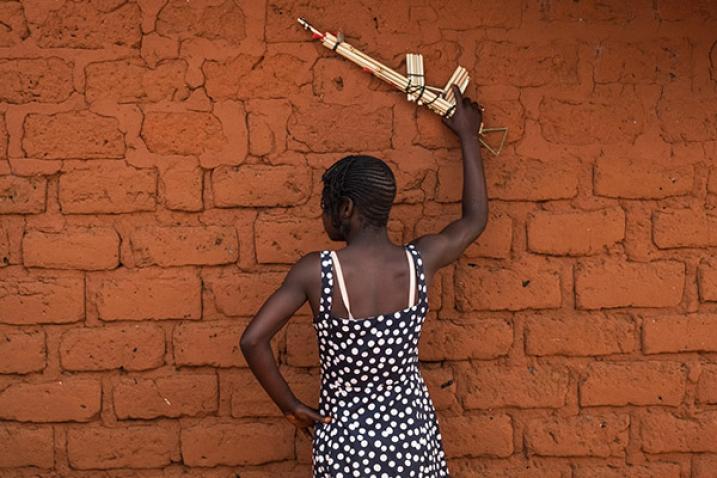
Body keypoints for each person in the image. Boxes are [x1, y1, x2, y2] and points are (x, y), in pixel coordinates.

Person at [240, 84, 488, 477]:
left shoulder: (316, 272)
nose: (323, 216)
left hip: (346, 445)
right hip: (412, 439)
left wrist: (291, 407)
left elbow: (253, 340)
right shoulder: (420, 261)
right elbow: (474, 221)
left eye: (326, 207)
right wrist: (468, 138)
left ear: (346, 208)